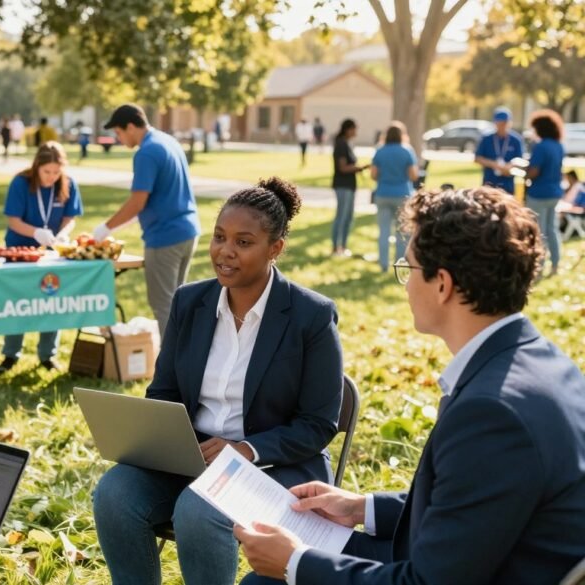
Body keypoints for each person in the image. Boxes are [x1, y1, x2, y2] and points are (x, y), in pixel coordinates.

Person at [235, 186, 585, 585]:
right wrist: (360, 507)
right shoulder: (544, 361)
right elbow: (475, 506)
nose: (405, 284)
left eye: (410, 267)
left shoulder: (491, 413)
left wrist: (294, 562)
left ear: (443, 284)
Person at [93, 177, 343, 585]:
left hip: (274, 467)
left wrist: (245, 449)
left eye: (244, 242)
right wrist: (162, 436)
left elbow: (318, 425)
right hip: (194, 459)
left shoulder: (310, 316)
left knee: (197, 510)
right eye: (219, 237)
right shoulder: (191, 302)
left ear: (275, 248)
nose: (225, 251)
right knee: (114, 494)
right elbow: (165, 392)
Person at [93, 104, 201, 338]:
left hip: (165, 237)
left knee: (163, 306)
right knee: (177, 304)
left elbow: (137, 202)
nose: (118, 138)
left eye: (119, 133)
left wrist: (104, 228)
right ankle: (183, 364)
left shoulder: (146, 152)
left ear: (131, 127)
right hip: (188, 232)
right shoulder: (168, 141)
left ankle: (169, 371)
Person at [0, 142, 83, 374]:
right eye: (47, 172)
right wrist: (35, 232)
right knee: (18, 303)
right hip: (20, 251)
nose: (51, 177)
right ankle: (10, 354)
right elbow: (13, 220)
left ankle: (47, 355)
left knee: (51, 300)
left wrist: (63, 234)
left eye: (56, 172)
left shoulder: (67, 183)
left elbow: (70, 217)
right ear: (37, 167)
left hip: (51, 253)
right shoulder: (21, 183)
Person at [370, 121, 418, 273]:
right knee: (402, 232)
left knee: (384, 231)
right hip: (402, 194)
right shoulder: (407, 151)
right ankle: (399, 264)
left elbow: (373, 175)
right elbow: (413, 175)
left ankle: (383, 265)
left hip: (383, 193)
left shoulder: (380, 150)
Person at [525, 109, 565, 277]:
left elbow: (534, 171)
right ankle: (555, 264)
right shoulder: (558, 146)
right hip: (554, 193)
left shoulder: (541, 146)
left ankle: (538, 268)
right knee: (552, 229)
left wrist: (524, 173)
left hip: (539, 193)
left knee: (539, 231)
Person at [330, 119, 368, 257]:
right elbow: (342, 167)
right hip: (342, 185)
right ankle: (335, 247)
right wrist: (359, 168)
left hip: (350, 185)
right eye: (354, 129)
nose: (356, 132)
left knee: (349, 217)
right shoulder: (341, 144)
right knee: (341, 216)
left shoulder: (347, 144)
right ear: (347, 129)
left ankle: (343, 246)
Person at [474, 106, 524, 194]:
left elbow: (520, 161)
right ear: (495, 123)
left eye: (505, 123)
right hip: (489, 184)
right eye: (499, 123)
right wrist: (494, 164)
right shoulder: (487, 139)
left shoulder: (516, 140)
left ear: (510, 123)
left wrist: (509, 167)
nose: (502, 126)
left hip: (508, 185)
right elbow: (477, 158)